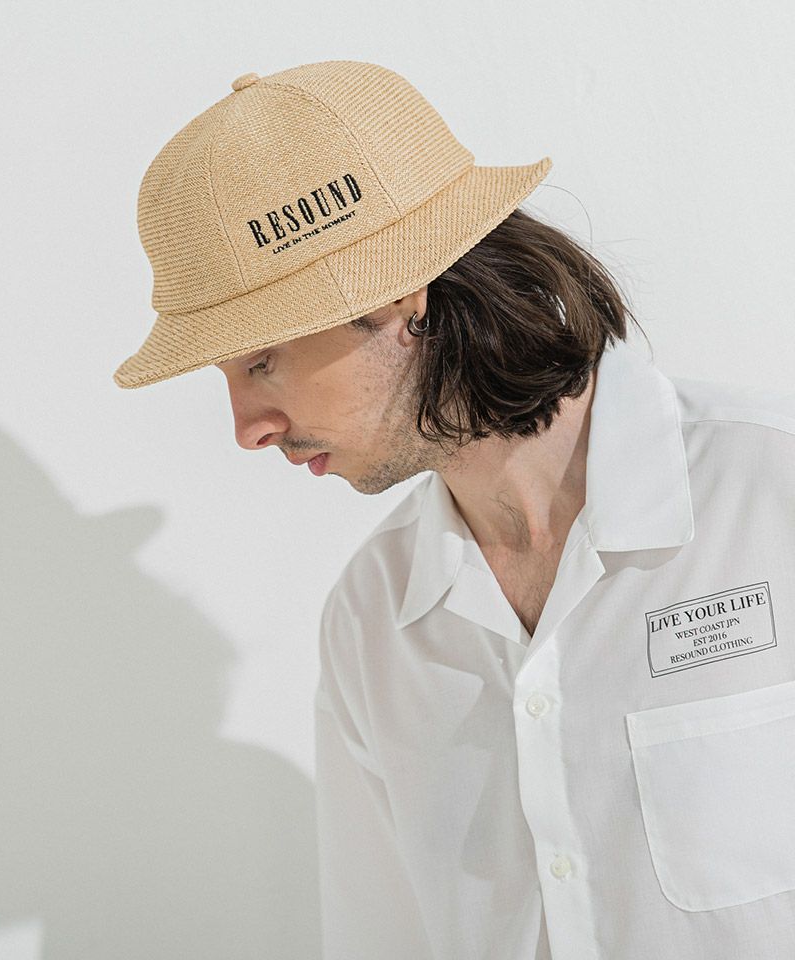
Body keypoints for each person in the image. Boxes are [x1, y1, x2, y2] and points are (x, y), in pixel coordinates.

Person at [113, 60, 795, 960]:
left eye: (261, 361)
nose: (247, 428)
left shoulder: (773, 493)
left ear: (398, 295)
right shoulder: (373, 619)